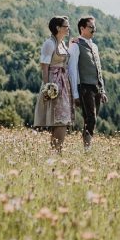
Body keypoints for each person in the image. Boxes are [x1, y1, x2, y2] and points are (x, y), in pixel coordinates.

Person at [33, 16, 75, 151]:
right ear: (58, 28)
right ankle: (56, 151)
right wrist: (47, 87)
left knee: (62, 118)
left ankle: (57, 151)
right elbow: (44, 66)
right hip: (54, 83)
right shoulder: (49, 43)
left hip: (63, 82)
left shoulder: (62, 43)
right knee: (59, 119)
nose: (68, 28)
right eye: (66, 26)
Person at [67, 15, 106, 150]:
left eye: (94, 27)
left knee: (92, 119)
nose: (94, 30)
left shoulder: (94, 46)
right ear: (82, 28)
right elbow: (72, 70)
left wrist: (102, 90)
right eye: (91, 27)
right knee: (90, 118)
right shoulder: (76, 45)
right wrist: (75, 94)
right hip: (84, 87)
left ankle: (87, 147)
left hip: (96, 87)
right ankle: (87, 149)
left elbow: (98, 69)